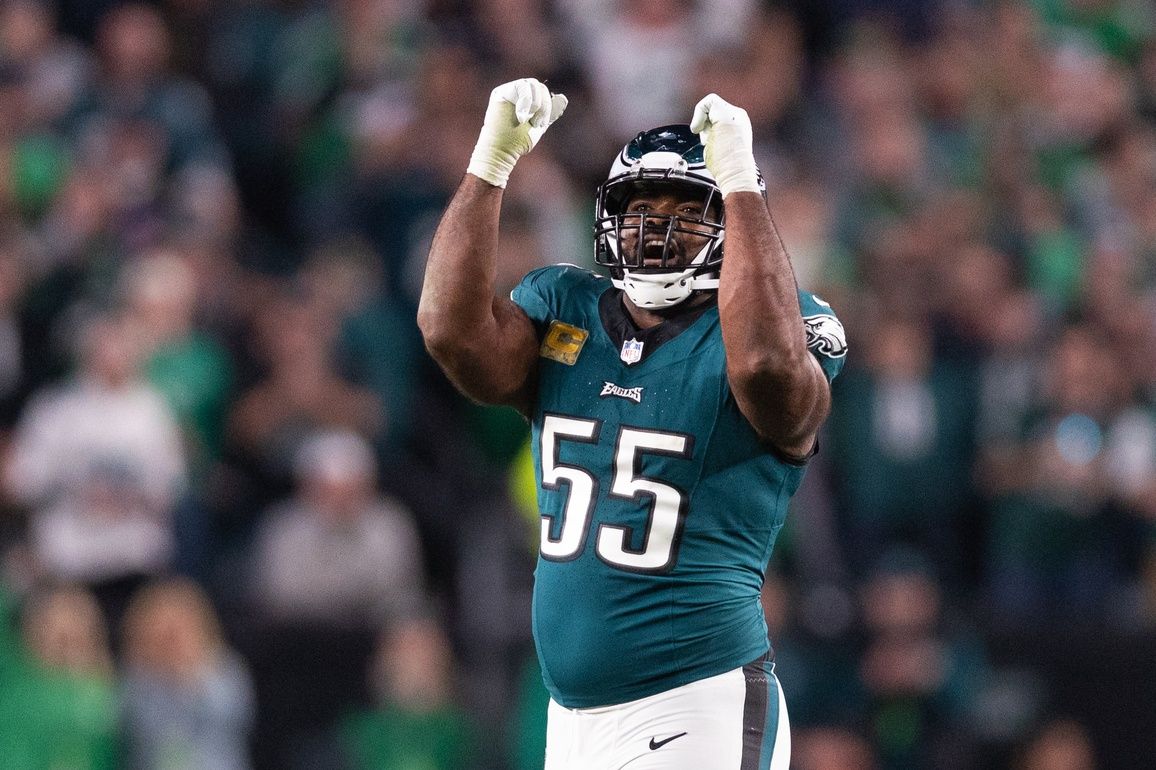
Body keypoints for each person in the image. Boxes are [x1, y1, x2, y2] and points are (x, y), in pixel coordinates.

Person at [418, 78, 846, 769]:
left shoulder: (787, 326)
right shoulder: (565, 306)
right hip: (571, 716)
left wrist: (742, 184)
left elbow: (769, 366)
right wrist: (488, 167)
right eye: (639, 207)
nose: (655, 227)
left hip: (694, 701)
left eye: (684, 210)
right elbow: (449, 331)